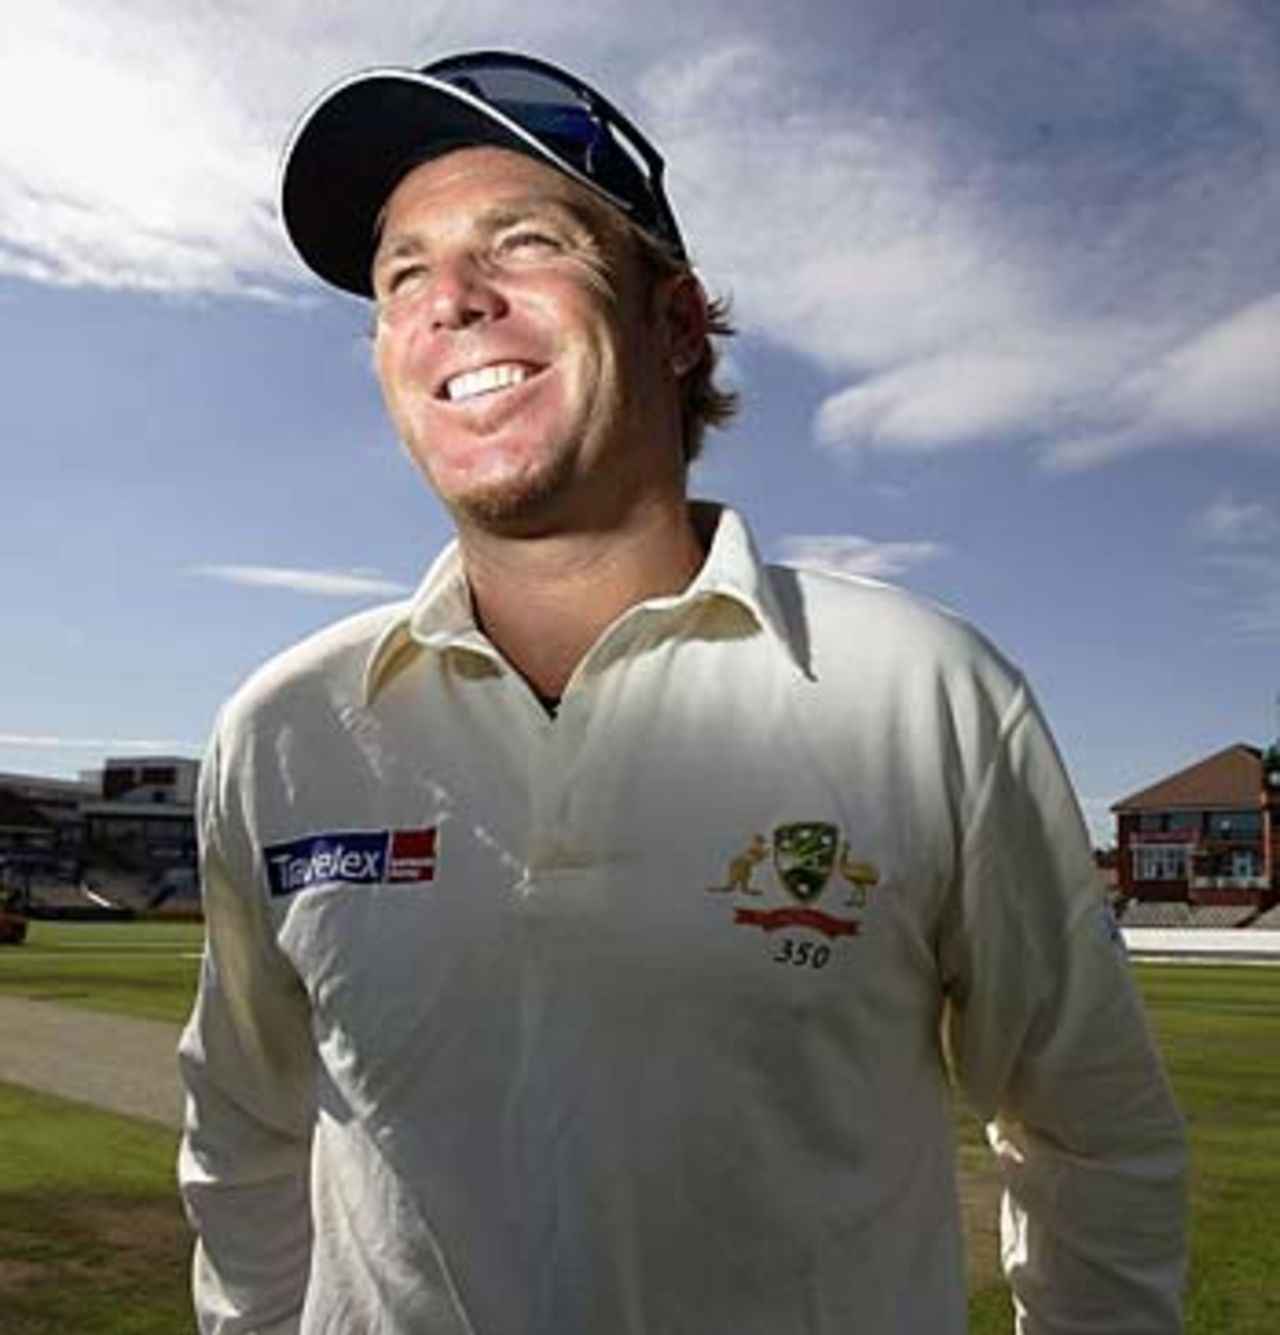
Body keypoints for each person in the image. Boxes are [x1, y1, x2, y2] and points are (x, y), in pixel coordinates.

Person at [177, 49, 1187, 1335]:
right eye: (401, 274)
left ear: (673, 319)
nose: (452, 300)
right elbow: (245, 1131)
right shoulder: (283, 730)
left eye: (521, 241)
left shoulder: (926, 694)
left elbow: (1089, 1135)